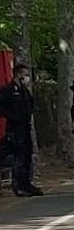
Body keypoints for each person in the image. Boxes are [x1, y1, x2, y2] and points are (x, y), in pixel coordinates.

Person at [0, 64, 43, 197]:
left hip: (25, 127)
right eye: (25, 74)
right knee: (18, 158)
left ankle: (26, 183)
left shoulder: (24, 90)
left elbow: (30, 104)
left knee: (26, 156)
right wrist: (14, 118)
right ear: (18, 74)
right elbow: (3, 108)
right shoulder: (8, 90)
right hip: (15, 129)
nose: (27, 77)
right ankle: (18, 185)